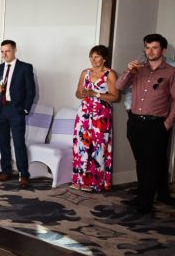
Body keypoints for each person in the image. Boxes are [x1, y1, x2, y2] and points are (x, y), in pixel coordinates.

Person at [116, 34, 175, 214]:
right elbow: (119, 86)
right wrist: (128, 71)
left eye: (154, 47)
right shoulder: (138, 69)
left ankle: (146, 203)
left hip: (156, 125)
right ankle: (141, 196)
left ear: (163, 49)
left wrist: (168, 123)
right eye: (147, 47)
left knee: (152, 164)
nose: (150, 51)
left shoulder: (171, 72)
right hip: (135, 123)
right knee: (140, 162)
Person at [72, 45, 118, 192]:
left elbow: (115, 96)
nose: (93, 59)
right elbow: (77, 93)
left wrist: (95, 94)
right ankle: (79, 179)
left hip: (101, 114)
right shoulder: (85, 72)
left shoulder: (110, 74)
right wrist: (81, 94)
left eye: (96, 56)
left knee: (98, 147)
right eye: (91, 56)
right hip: (84, 113)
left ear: (104, 58)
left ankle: (94, 182)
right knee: (81, 145)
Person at [0, 40, 36, 187]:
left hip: (16, 110)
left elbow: (31, 91)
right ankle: (6, 171)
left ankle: (23, 174)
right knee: (2, 142)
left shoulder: (25, 68)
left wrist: (25, 109)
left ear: (15, 50)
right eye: (2, 51)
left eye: (7, 51)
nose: (4, 54)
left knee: (18, 143)